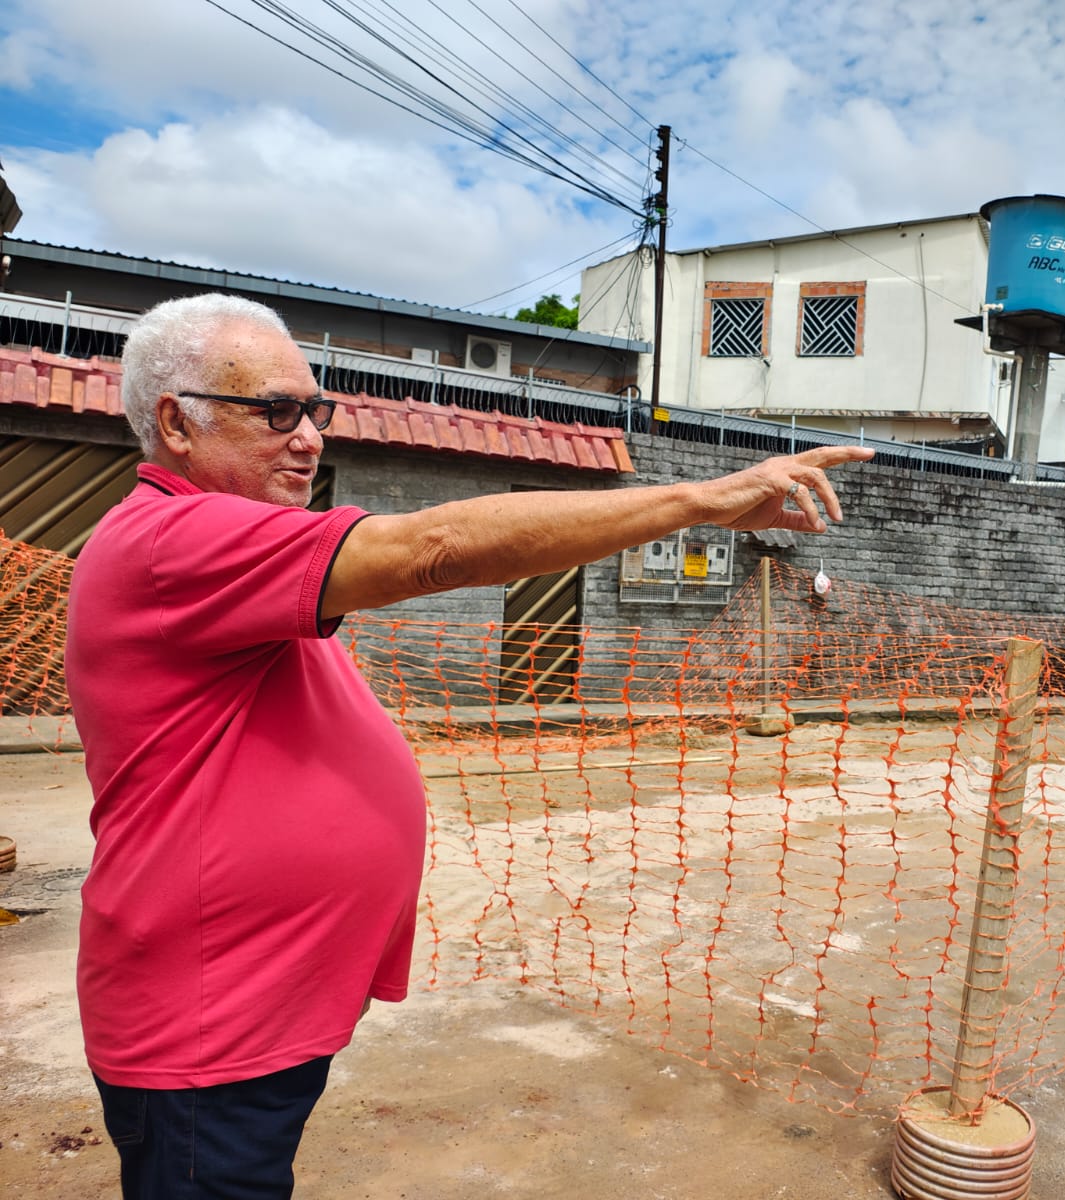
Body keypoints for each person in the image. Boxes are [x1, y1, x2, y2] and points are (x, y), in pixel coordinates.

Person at [63, 292, 872, 1198]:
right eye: (278, 413)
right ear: (176, 423)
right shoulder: (177, 539)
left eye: (316, 412)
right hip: (206, 1029)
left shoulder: (225, 547)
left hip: (248, 1008)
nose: (310, 439)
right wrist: (698, 501)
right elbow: (436, 548)